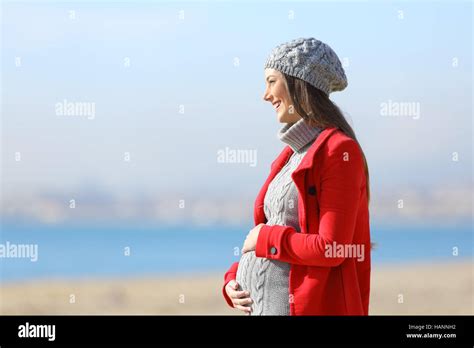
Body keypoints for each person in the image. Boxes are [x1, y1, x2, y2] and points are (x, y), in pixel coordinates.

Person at [222, 37, 371, 316]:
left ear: (298, 83)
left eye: (271, 81)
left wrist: (266, 239)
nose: (265, 95)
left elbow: (333, 247)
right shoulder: (289, 156)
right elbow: (271, 232)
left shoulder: (338, 152)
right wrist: (233, 280)